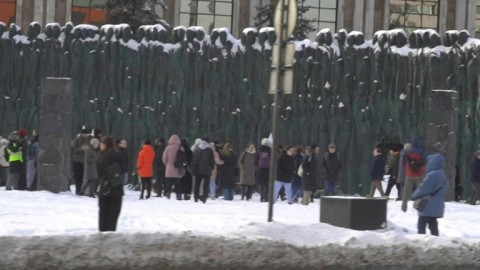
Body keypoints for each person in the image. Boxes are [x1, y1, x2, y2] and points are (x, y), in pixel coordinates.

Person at [411, 153, 448, 236]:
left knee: (422, 222)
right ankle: (435, 238)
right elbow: (446, 188)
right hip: (437, 202)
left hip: (428, 202)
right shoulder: (443, 174)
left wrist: (414, 195)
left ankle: (421, 238)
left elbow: (423, 188)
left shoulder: (432, 175)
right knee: (433, 222)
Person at [97, 136, 123, 232]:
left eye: (102, 144)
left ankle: (102, 237)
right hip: (116, 188)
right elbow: (124, 168)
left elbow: (98, 172)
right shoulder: (118, 156)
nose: (100, 145)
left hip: (104, 188)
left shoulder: (99, 157)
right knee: (113, 217)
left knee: (103, 215)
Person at [401, 138, 426, 212]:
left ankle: (404, 207)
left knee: (406, 191)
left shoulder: (407, 151)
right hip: (419, 174)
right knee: (419, 190)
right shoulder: (421, 151)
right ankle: (417, 205)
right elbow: (424, 162)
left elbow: (403, 162)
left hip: (409, 174)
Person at [190, 138, 215, 203]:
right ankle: (204, 198)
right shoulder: (209, 150)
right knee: (205, 185)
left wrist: (193, 168)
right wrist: (212, 168)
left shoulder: (197, 149)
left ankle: (196, 197)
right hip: (207, 170)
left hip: (198, 169)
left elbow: (194, 159)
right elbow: (211, 161)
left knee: (197, 184)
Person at [162, 134, 184, 200]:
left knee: (168, 184)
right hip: (178, 169)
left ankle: (167, 196)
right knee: (178, 185)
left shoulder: (167, 148)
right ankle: (179, 197)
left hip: (169, 170)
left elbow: (164, 159)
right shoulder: (181, 148)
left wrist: (167, 164)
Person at [71, 128, 91, 195]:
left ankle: (83, 190)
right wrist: (81, 149)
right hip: (77, 160)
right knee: (77, 177)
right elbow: (74, 150)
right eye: (84, 134)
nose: (85, 135)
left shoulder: (89, 139)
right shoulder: (76, 140)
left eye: (86, 134)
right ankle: (78, 189)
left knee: (83, 176)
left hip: (85, 161)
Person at [255, 138, 271, 202]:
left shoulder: (259, 150)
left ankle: (262, 197)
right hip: (268, 170)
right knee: (267, 184)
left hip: (260, 169)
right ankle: (266, 197)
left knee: (261, 185)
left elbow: (256, 160)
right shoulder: (270, 151)